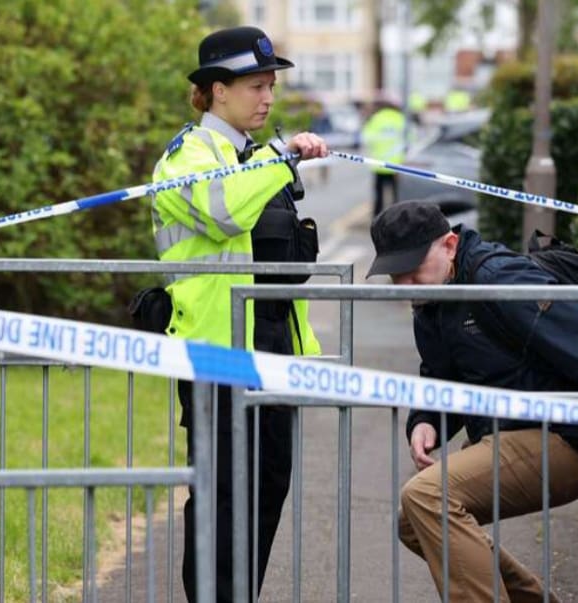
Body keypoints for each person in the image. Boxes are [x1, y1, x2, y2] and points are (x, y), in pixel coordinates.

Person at [366, 202, 578, 603]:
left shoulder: (499, 280)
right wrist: (426, 420)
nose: (405, 283)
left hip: (567, 436)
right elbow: (443, 375)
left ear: (450, 245)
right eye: (395, 274)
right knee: (414, 521)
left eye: (412, 268)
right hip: (510, 434)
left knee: (427, 497)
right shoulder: (432, 299)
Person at [150, 25, 329, 602]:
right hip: (217, 353)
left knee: (269, 487)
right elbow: (223, 211)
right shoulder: (189, 156)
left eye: (271, 85)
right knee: (224, 497)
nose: (268, 97)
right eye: (256, 86)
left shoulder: (256, 156)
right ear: (218, 90)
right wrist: (281, 158)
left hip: (271, 347)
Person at [360, 98, 406, 216]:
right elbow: (410, 138)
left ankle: (377, 219)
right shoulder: (400, 118)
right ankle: (397, 218)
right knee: (396, 197)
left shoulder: (376, 118)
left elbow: (366, 139)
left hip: (379, 165)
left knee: (379, 197)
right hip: (397, 165)